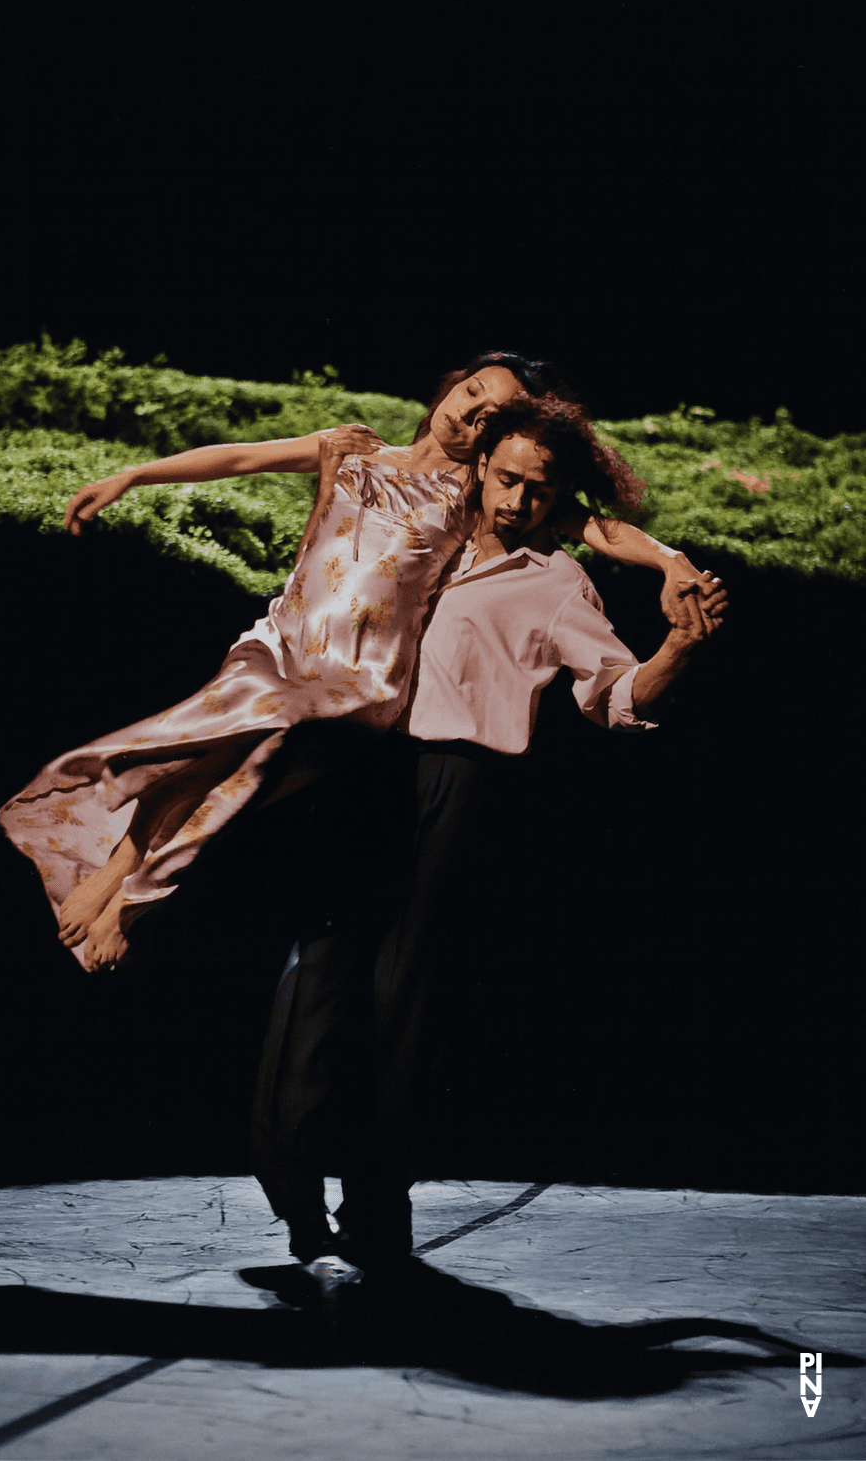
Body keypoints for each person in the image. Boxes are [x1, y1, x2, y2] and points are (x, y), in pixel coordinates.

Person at [0, 354, 713, 972]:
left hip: (359, 678)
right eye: (472, 394)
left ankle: (135, 890)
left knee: (257, 756)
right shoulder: (354, 450)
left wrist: (667, 559)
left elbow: (594, 526)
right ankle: (124, 874)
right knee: (206, 746)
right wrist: (133, 475)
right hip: (282, 643)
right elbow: (240, 457)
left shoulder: (474, 492)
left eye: (490, 415)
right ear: (451, 387)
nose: (471, 416)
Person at [249, 394, 729, 1278]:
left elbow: (615, 699)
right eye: (505, 478)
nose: (516, 501)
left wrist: (677, 652)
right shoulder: (416, 532)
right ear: (477, 467)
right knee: (313, 985)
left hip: (455, 784)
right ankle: (288, 1175)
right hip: (360, 770)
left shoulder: (553, 584)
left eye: (539, 491)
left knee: (401, 1006)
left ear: (560, 500)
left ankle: (376, 1214)